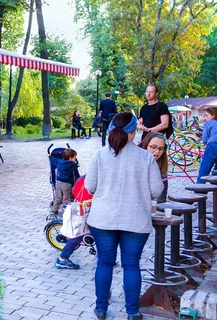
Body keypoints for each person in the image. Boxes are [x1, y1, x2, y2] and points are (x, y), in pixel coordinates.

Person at [85, 112, 163, 320]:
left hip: (102, 220)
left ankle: (101, 309)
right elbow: (156, 190)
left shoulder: (99, 155)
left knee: (104, 262)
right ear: (133, 132)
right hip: (135, 219)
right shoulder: (146, 157)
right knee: (131, 265)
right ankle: (132, 312)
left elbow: (89, 186)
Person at [55, 176, 92, 270]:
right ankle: (62, 259)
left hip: (82, 209)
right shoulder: (96, 179)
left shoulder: (84, 177)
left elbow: (74, 191)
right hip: (83, 211)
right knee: (77, 236)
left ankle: (105, 259)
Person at [139, 132, 169, 202]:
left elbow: (162, 197)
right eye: (153, 147)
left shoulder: (162, 164)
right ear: (145, 145)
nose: (157, 152)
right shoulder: (136, 161)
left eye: (161, 149)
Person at [48, 148, 79, 214]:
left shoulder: (59, 161)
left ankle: (54, 209)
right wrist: (77, 165)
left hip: (58, 183)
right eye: (74, 157)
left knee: (58, 197)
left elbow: (53, 160)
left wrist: (49, 156)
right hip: (67, 184)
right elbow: (76, 167)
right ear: (70, 158)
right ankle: (66, 211)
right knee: (66, 198)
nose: (75, 159)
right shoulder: (72, 164)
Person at [197, 107, 217, 183]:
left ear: (213, 115)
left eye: (206, 115)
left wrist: (205, 141)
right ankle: (215, 188)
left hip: (213, 145)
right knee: (216, 170)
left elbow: (205, 138)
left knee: (205, 168)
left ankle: (200, 187)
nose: (205, 118)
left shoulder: (208, 123)